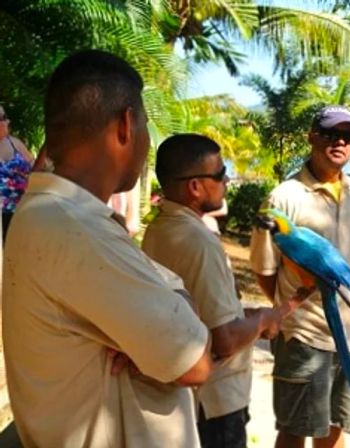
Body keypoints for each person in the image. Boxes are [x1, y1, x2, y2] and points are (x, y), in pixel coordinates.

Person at [2, 50, 212, 446]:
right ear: (126, 124)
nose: (148, 142)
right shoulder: (75, 229)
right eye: (147, 124)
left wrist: (164, 316)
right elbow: (196, 362)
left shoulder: (47, 213)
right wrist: (178, 302)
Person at [142, 133, 307, 448]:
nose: (227, 179)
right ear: (195, 186)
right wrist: (263, 320)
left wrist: (254, 315)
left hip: (185, 398)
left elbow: (198, 313)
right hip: (216, 403)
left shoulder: (159, 229)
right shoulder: (199, 242)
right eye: (219, 174)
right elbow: (225, 338)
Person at [249, 105, 350, 448]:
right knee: (295, 430)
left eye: (347, 136)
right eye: (330, 134)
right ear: (312, 138)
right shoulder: (282, 198)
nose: (340, 142)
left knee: (336, 428)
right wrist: (295, 309)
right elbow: (265, 270)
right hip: (304, 337)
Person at [0, 104, 34, 241]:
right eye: (1, 118)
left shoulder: (15, 143)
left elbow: (34, 168)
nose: (6, 121)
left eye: (4, 117)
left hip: (22, 210)